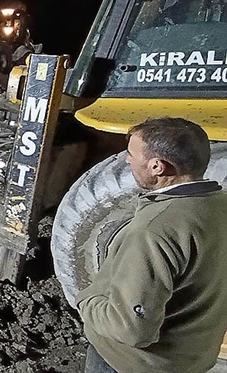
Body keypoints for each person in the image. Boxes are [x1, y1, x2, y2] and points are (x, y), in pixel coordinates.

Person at [76, 117, 227, 373]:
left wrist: (87, 302)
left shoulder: (153, 231)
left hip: (131, 364)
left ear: (157, 166)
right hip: (192, 359)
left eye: (132, 154)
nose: (127, 160)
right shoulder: (220, 204)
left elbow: (131, 330)